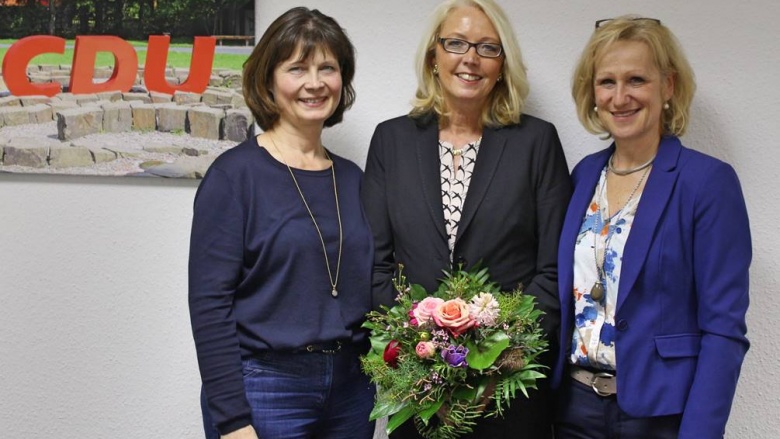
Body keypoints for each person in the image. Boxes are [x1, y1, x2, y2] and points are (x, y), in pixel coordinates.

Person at [361, 0, 572, 437]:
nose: (470, 58)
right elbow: (376, 265)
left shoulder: (536, 142)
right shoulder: (391, 141)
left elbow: (553, 271)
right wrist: (423, 360)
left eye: (488, 48)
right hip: (416, 390)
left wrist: (498, 358)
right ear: (433, 57)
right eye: (456, 43)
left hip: (508, 393)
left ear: (502, 64)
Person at [553, 16, 751, 439]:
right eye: (606, 81)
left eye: (636, 79)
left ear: (669, 87)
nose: (620, 96)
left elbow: (724, 329)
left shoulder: (707, 183)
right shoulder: (583, 175)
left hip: (660, 416)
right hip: (574, 410)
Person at [188, 7, 375, 439]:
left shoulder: (354, 179)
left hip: (352, 390)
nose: (315, 83)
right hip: (266, 387)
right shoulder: (234, 177)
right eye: (297, 68)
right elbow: (210, 306)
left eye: (327, 67)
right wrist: (232, 420)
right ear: (269, 81)